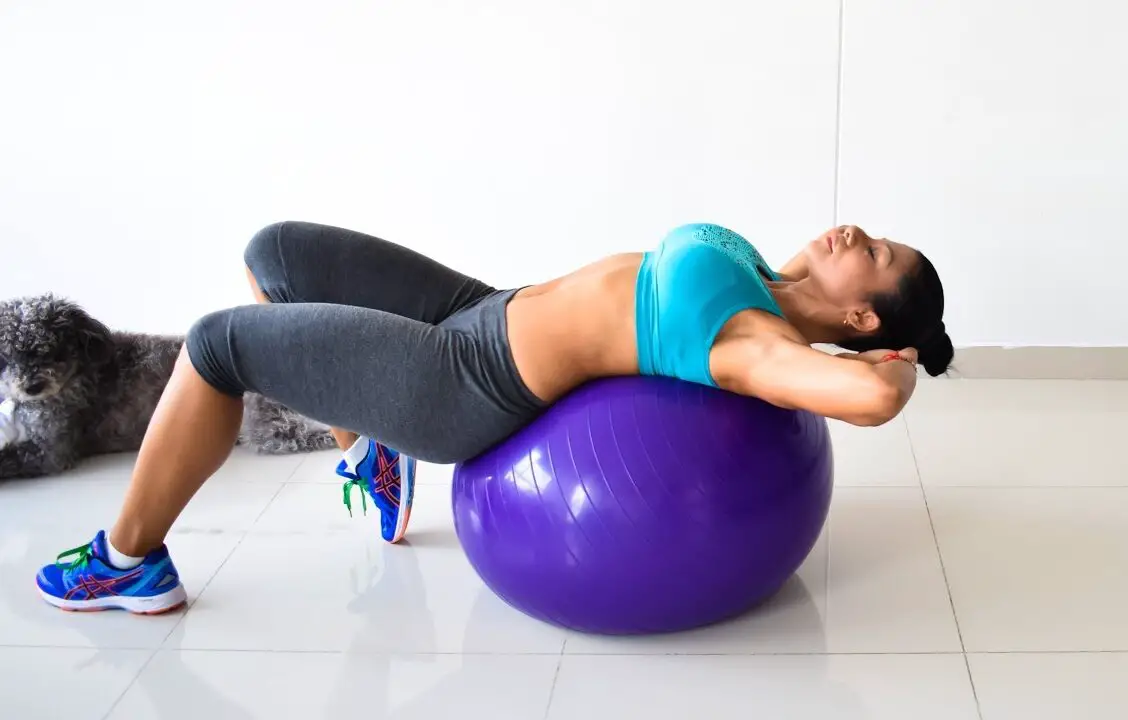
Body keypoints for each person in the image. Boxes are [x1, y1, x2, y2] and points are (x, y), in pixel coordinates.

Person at [35, 220, 951, 614]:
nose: (848, 231)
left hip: (465, 380)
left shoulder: (754, 342)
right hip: (478, 306)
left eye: (867, 252)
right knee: (274, 254)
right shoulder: (766, 270)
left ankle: (127, 562)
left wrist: (896, 366)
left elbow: (870, 402)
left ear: (864, 318)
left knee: (218, 343)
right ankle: (368, 452)